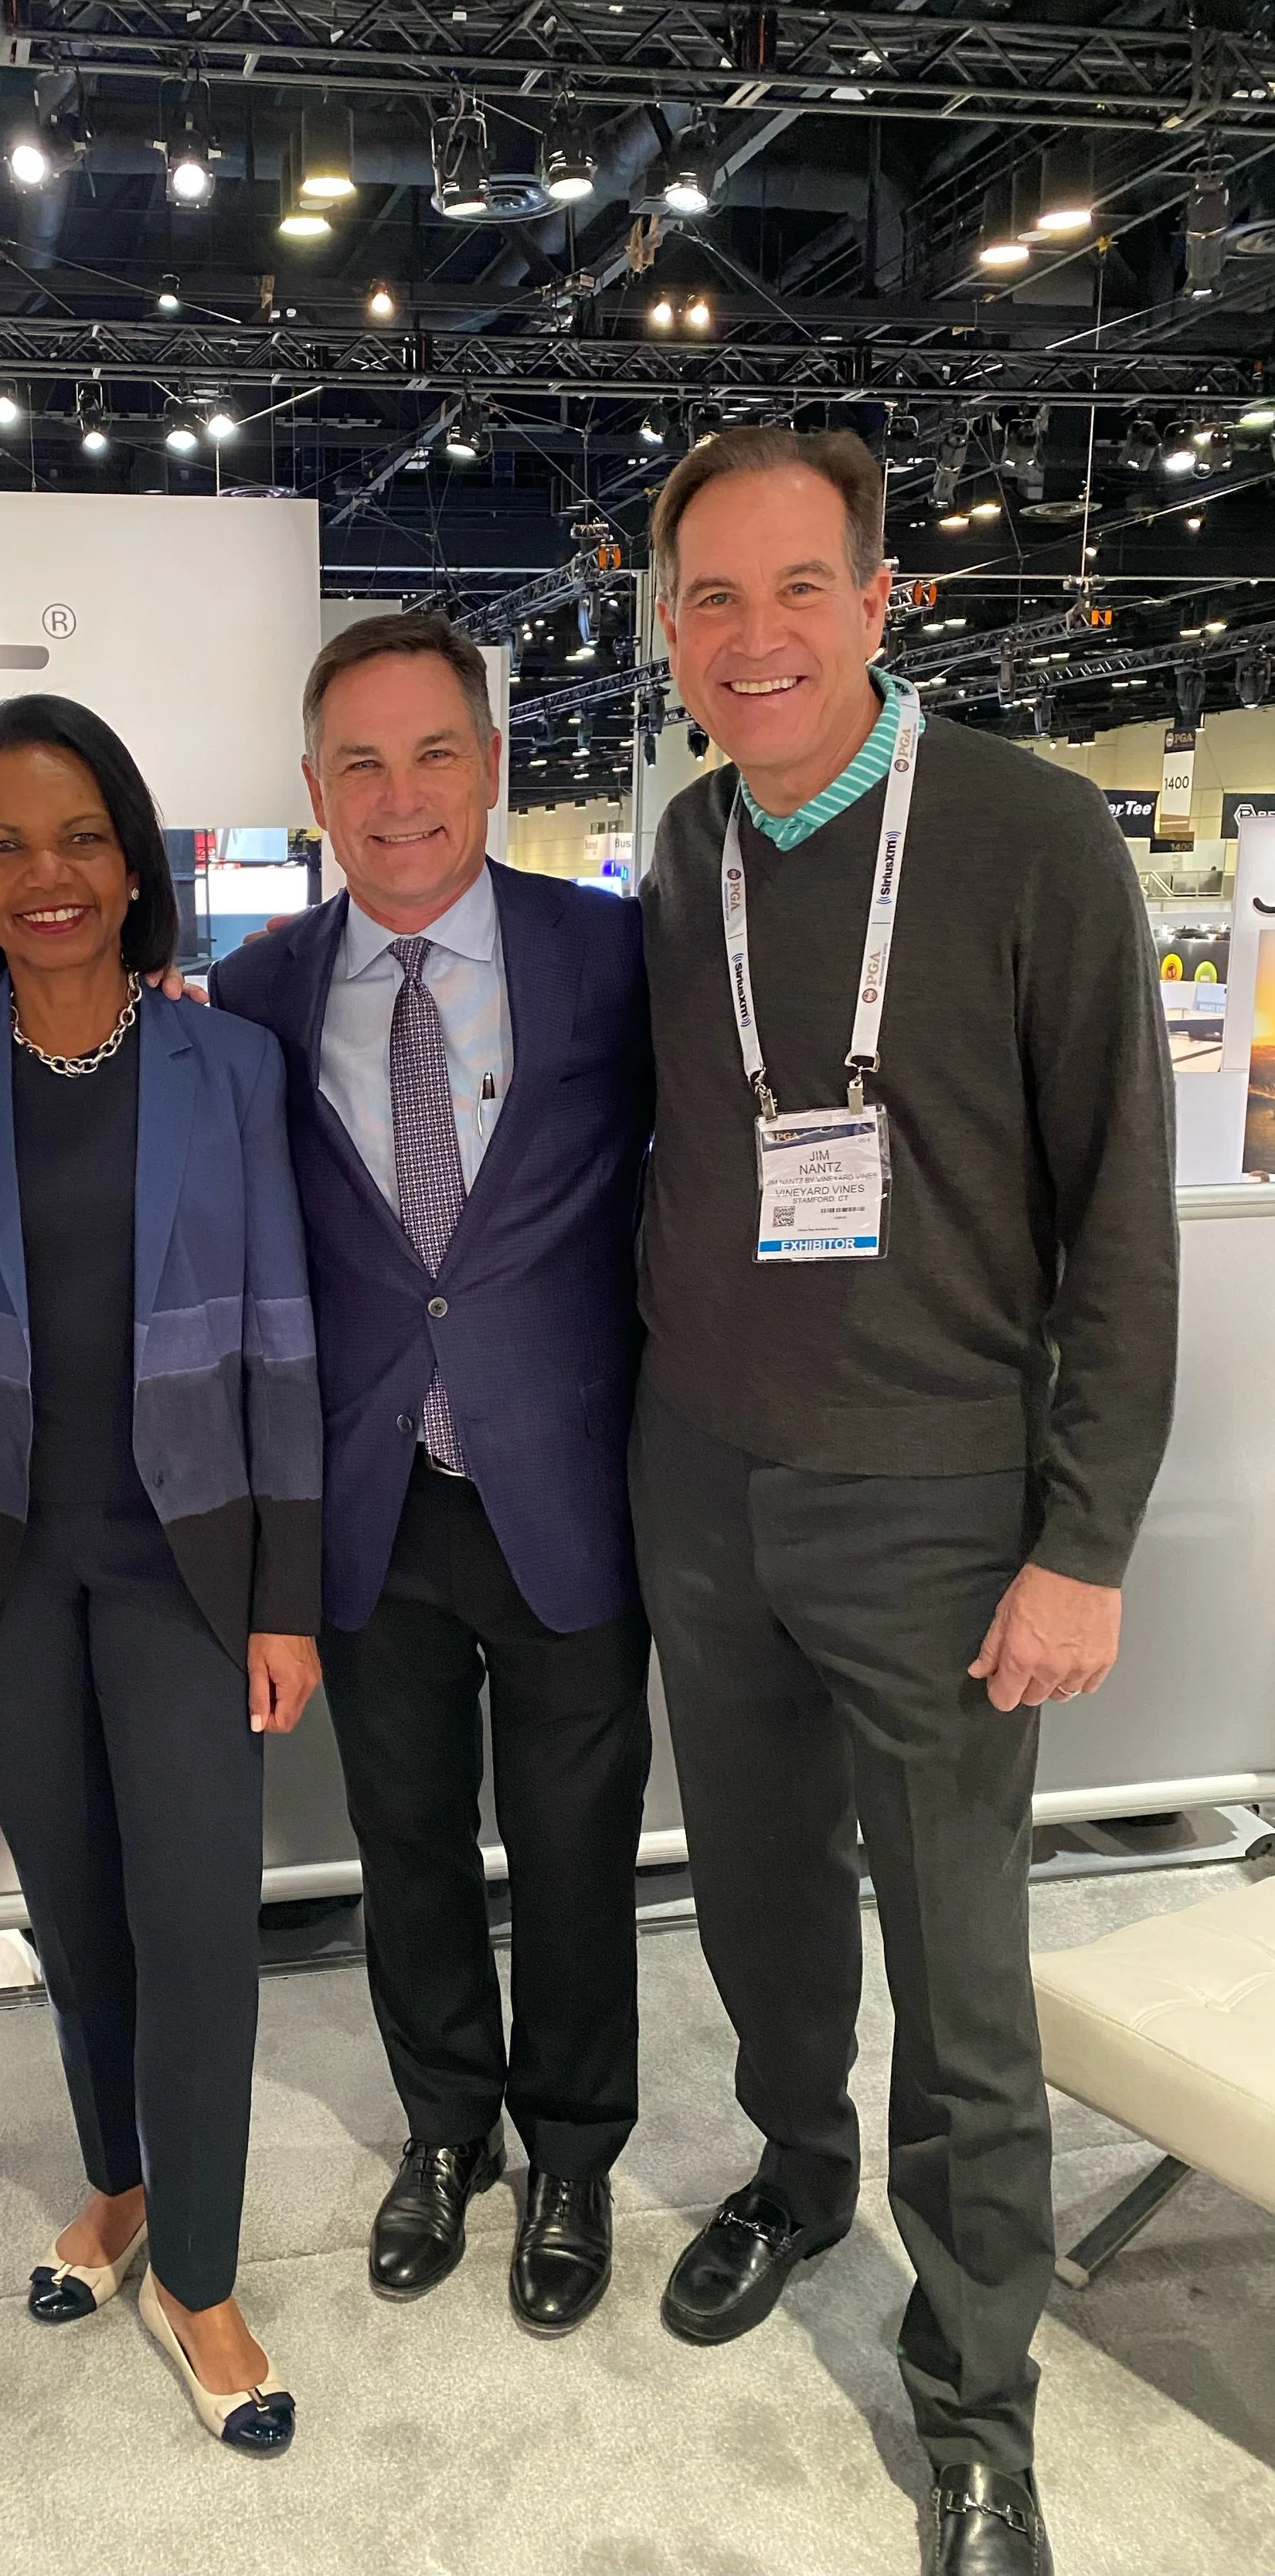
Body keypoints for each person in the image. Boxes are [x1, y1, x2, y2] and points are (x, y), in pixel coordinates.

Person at [633, 426, 1177, 2576]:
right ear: (664, 626)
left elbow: (1114, 1222)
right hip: (704, 1486)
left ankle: (975, 2400)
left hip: (942, 1512)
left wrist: (1083, 1537)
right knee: (761, 1905)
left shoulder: (1033, 841)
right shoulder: (678, 853)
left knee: (962, 1976)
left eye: (793, 590)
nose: (751, 639)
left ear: (881, 600)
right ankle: (788, 2171)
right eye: (707, 599)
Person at [0, 696, 321, 2455]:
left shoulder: (229, 1068)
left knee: (199, 1924)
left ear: (133, 857)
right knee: (73, 1921)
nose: (45, 875)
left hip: (188, 1572)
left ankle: (197, 2273)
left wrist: (285, 1589)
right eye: (2, 845)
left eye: (77, 838)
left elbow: (281, 1337)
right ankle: (119, 2185)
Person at [209, 613, 653, 2336]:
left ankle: (572, 2154)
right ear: (314, 788)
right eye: (360, 765)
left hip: (570, 1495)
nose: (399, 798)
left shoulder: (612, 958)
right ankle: (445, 2131)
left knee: (571, 1852)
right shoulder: (251, 1001)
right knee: (403, 1846)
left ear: (489, 759)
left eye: (432, 753)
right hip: (367, 1510)